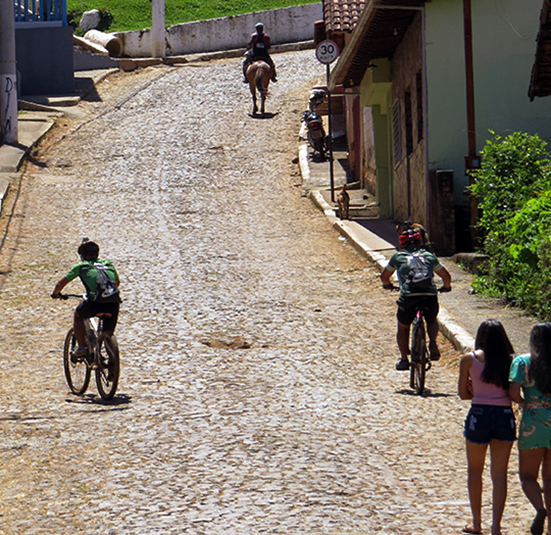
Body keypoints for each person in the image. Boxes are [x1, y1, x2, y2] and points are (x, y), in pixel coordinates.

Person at [458, 319, 516, 535]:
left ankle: (477, 522)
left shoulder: (468, 360)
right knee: (499, 475)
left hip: (479, 416)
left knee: (475, 470)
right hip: (504, 417)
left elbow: (464, 394)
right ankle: (497, 527)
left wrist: (477, 391)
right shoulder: (511, 361)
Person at [380, 225, 452, 370]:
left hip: (409, 296)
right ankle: (432, 342)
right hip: (429, 296)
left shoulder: (398, 257)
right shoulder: (429, 256)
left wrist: (388, 285)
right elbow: (446, 276)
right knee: (432, 319)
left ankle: (404, 359)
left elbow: (385, 276)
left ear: (402, 243)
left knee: (403, 326)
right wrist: (446, 287)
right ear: (420, 243)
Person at [509, 323, 551, 535]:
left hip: (532, 424)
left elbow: (514, 392)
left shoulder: (523, 362)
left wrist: (524, 402)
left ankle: (540, 508)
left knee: (527, 476)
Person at [51, 240, 121, 357]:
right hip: (113, 303)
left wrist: (56, 294)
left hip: (95, 303)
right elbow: (117, 282)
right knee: (107, 333)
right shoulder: (108, 264)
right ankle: (112, 363)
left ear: (82, 256)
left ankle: (82, 347)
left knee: (78, 314)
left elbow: (60, 284)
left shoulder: (81, 266)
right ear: (97, 254)